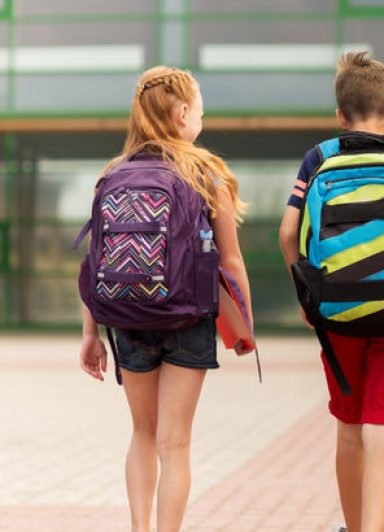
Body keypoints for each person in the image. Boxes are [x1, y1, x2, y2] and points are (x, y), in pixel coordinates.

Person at [276, 51, 384, 532]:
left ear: (339, 115)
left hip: (336, 310)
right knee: (382, 424)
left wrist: (306, 293)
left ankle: (353, 529)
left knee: (349, 425)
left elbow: (288, 234)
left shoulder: (319, 158)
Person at [77, 66, 253, 532]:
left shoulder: (111, 176)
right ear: (181, 115)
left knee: (142, 432)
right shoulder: (204, 173)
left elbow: (93, 262)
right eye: (199, 111)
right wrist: (243, 328)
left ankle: (139, 528)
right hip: (188, 319)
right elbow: (230, 263)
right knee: (175, 443)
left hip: (127, 319)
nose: (201, 119)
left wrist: (91, 333)